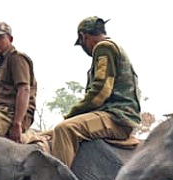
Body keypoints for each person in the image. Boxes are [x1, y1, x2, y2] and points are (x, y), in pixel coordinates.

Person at [45, 17, 143, 165]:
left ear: (84, 36)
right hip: (114, 115)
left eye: (82, 43)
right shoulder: (113, 48)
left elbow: (100, 92)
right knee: (47, 135)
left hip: (116, 117)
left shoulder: (104, 48)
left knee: (64, 129)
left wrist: (72, 114)